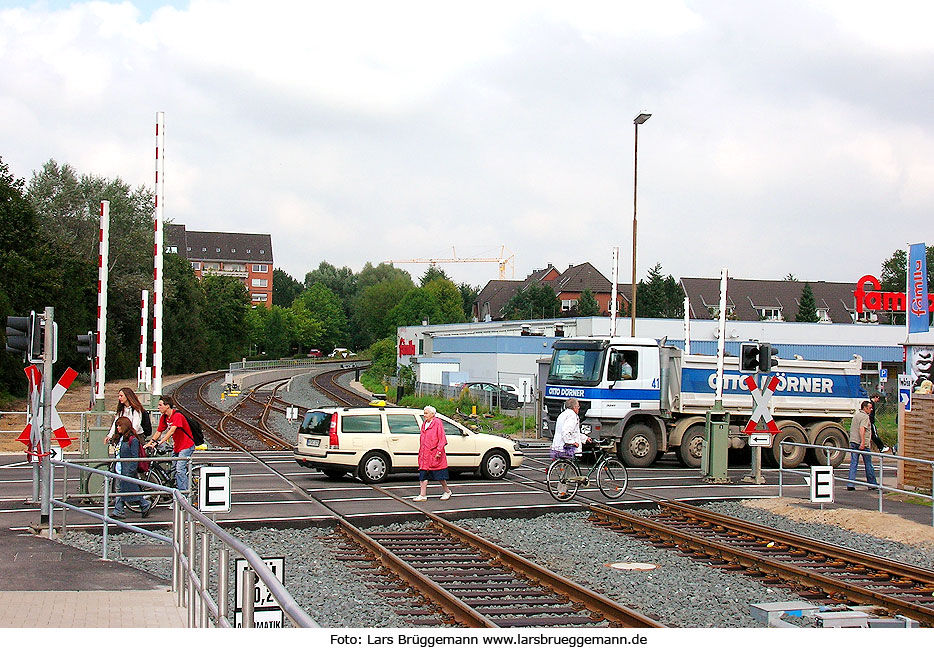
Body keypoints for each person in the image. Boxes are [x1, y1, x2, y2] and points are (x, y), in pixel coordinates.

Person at [146, 396, 196, 492]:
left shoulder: (177, 416)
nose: (158, 407)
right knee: (173, 470)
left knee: (179, 469)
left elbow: (172, 430)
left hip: (186, 446)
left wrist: (161, 441)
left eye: (160, 405)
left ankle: (184, 495)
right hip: (177, 446)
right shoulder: (164, 417)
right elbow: (159, 431)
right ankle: (176, 493)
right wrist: (150, 443)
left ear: (167, 406)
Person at [112, 416, 152, 519]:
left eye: (119, 426)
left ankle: (119, 510)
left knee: (125, 491)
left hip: (127, 469)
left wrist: (131, 470)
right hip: (120, 468)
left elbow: (135, 456)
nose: (117, 428)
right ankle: (142, 505)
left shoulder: (132, 440)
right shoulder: (121, 438)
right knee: (124, 490)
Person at [413, 405, 451, 501]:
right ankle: (422, 495)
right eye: (424, 413)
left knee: (439, 476)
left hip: (434, 454)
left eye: (426, 413)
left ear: (432, 414)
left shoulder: (438, 423)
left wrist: (438, 451)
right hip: (425, 454)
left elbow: (442, 439)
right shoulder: (424, 424)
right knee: (423, 474)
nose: (424, 415)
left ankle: (447, 491)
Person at [847, 400, 878, 491]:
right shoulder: (865, 417)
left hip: (853, 441)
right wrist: (863, 442)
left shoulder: (856, 416)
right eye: (869, 408)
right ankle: (872, 484)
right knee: (868, 464)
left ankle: (850, 483)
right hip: (862, 444)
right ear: (864, 408)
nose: (871, 410)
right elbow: (862, 429)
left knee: (853, 463)